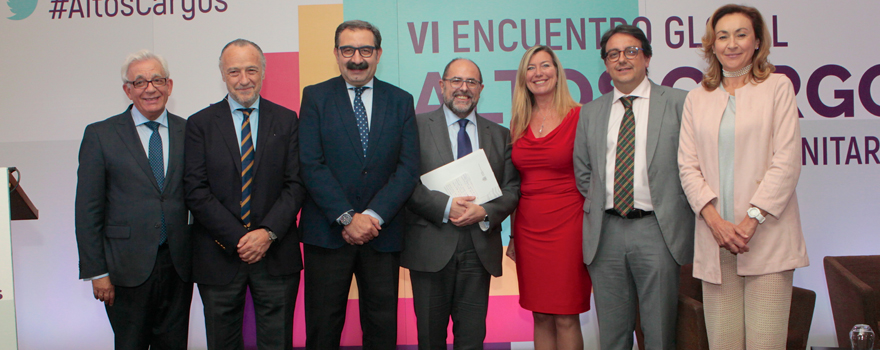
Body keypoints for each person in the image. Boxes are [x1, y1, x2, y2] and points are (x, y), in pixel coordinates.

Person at [678, 4, 809, 348]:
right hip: (716, 239)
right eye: (723, 36)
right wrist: (716, 222)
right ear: (712, 44)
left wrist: (751, 219)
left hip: (765, 237)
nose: (731, 44)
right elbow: (687, 167)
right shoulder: (696, 97)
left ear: (757, 42)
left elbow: (787, 162)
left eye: (740, 34)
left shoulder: (778, 87)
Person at [298, 20, 419, 350]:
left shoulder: (401, 101)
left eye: (365, 50)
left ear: (378, 54)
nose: (357, 59)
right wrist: (348, 217)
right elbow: (310, 164)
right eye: (348, 50)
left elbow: (408, 169)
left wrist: (374, 216)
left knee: (382, 331)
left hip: (382, 234)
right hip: (327, 233)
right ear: (336, 54)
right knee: (323, 331)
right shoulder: (315, 97)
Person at [573, 25, 694, 350]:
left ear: (647, 57)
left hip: (658, 230)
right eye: (613, 54)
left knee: (658, 333)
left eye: (631, 51)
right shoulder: (590, 112)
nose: (622, 59)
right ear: (605, 63)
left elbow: (693, 167)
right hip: (606, 232)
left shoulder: (679, 103)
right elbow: (584, 173)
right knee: (612, 336)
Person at [184, 39, 305, 350]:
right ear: (223, 75)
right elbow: (196, 191)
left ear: (263, 72)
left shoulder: (287, 119)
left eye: (252, 69)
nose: (244, 79)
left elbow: (297, 184)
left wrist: (266, 234)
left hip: (276, 254)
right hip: (218, 255)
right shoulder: (200, 124)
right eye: (234, 71)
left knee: (277, 342)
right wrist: (240, 237)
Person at [75, 50, 192, 349]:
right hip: (124, 270)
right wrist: (96, 272)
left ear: (170, 85)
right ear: (128, 90)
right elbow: (88, 210)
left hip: (179, 266)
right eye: (139, 82)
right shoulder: (101, 135)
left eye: (157, 80)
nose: (150, 88)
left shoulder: (190, 131)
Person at [402, 58, 520, 350]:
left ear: (481, 89)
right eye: (456, 81)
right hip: (429, 249)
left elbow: (512, 188)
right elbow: (404, 182)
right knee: (430, 340)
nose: (463, 89)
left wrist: (486, 212)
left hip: (478, 252)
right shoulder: (414, 127)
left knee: (471, 340)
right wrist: (444, 207)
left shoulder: (501, 134)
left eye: (471, 82)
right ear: (441, 85)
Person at [505, 45, 591, 350]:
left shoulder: (581, 116)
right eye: (531, 67)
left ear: (557, 72)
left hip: (570, 226)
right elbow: (516, 184)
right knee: (540, 314)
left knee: (567, 316)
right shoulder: (518, 122)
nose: (538, 73)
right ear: (523, 76)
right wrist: (513, 236)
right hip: (528, 228)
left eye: (545, 66)